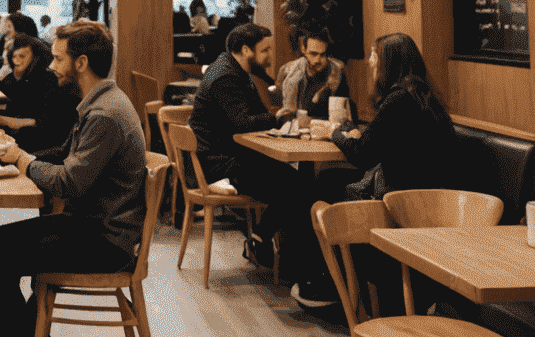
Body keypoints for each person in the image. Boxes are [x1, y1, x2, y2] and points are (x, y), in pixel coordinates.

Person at [0, 22, 147, 337]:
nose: (51, 65)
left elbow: (69, 183)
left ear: (80, 63)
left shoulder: (105, 115)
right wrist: (11, 162)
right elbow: (63, 156)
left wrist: (22, 161)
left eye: (58, 58)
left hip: (104, 241)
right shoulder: (101, 102)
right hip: (91, 226)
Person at [189, 22, 339, 309]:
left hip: (227, 157)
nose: (271, 54)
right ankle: (302, 273)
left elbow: (253, 115)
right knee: (299, 189)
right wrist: (279, 117)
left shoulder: (234, 70)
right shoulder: (226, 78)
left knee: (297, 184)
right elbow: (243, 123)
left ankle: (264, 240)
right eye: (265, 49)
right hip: (221, 168)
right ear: (246, 50)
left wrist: (274, 116)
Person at [331, 33, 458, 195]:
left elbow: (361, 157)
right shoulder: (425, 95)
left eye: (375, 58)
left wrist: (334, 133)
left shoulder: (398, 100)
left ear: (388, 64)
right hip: (435, 192)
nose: (370, 63)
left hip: (406, 197)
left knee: (327, 179)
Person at [0, 35, 78, 153]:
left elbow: (42, 123)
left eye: (22, 56)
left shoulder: (47, 80)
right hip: (16, 138)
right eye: (14, 56)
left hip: (33, 142)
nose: (16, 60)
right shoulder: (9, 79)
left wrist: (1, 120)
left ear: (35, 57)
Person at [276, 26, 352, 120]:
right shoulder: (287, 71)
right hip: (295, 127)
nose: (317, 60)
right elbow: (279, 108)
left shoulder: (337, 71)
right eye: (313, 54)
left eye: (322, 55)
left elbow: (343, 111)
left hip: (325, 128)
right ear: (304, 50)